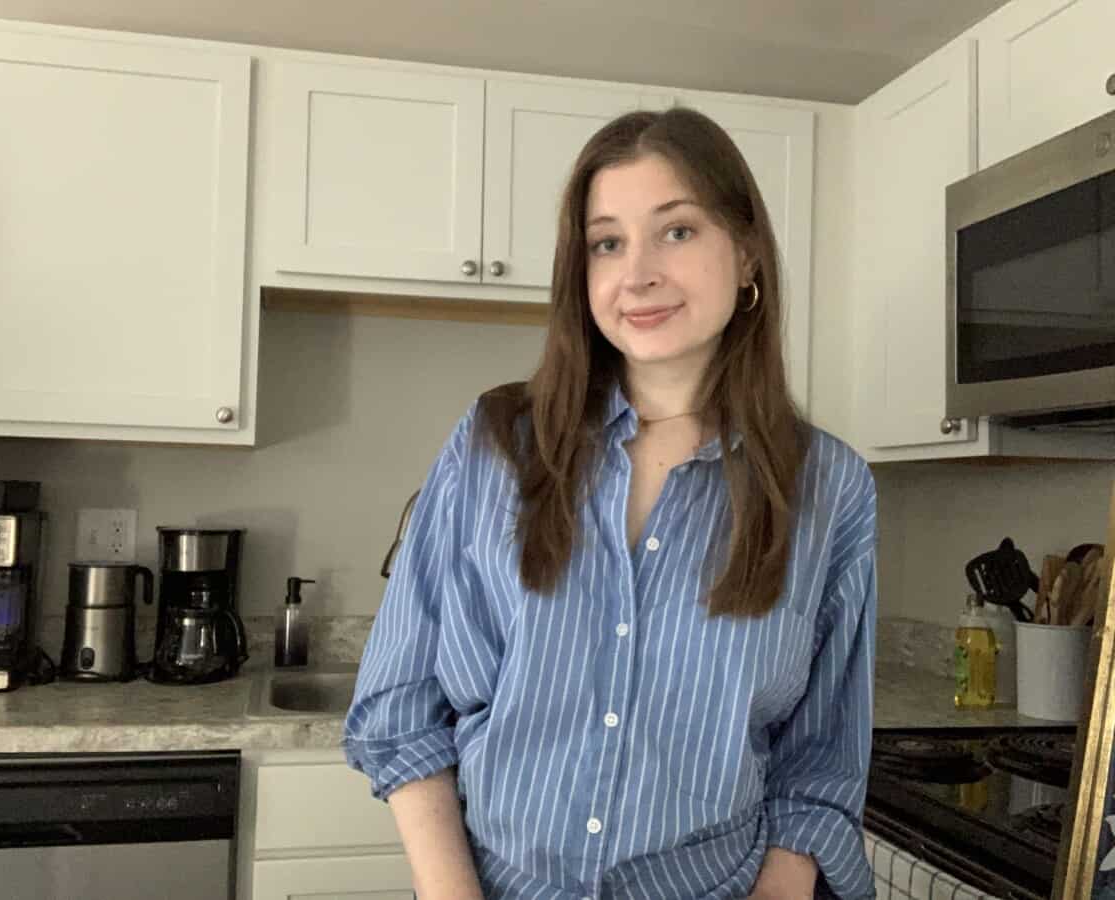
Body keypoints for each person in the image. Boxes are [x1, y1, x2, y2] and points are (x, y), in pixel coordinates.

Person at [343, 106, 877, 900]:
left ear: (748, 254)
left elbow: (821, 756)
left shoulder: (829, 488)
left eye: (678, 231)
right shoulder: (493, 444)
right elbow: (400, 706)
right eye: (607, 242)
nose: (638, 274)